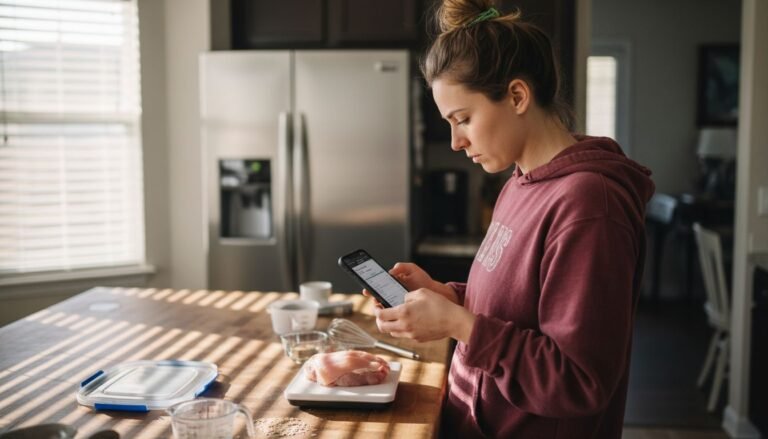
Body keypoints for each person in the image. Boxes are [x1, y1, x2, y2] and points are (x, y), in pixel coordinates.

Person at [365, 1, 656, 437]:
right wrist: (446, 296)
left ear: (518, 96)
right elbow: (518, 310)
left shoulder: (590, 205)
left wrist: (456, 324)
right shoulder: (520, 182)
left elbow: (579, 381)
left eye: (463, 119)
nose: (456, 141)